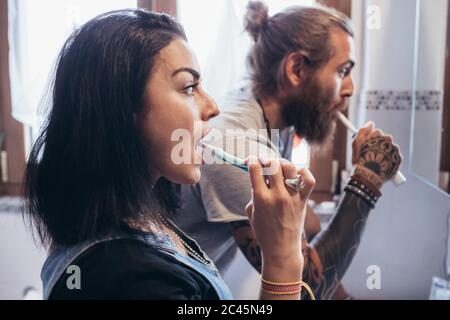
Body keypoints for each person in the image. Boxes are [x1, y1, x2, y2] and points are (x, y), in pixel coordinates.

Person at [24, 9, 316, 300]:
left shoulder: (135, 219)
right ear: (124, 110)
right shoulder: (125, 276)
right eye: (189, 87)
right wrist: (282, 263)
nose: (213, 107)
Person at [174, 1, 403, 300]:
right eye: (343, 71)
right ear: (296, 69)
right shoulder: (242, 147)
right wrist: (367, 180)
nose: (350, 87)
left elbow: (304, 226)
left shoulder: (270, 120)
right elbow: (308, 288)